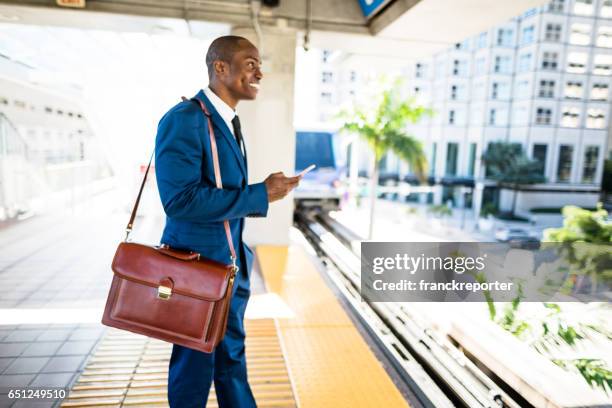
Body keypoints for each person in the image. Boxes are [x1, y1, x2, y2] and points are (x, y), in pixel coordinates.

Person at [154, 35, 301, 407]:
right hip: (198, 274)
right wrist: (259, 194)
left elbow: (221, 195)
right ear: (220, 67)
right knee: (193, 368)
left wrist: (265, 192)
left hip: (230, 269)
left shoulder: (229, 122)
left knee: (231, 361)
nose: (259, 73)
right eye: (250, 63)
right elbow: (180, 201)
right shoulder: (184, 119)